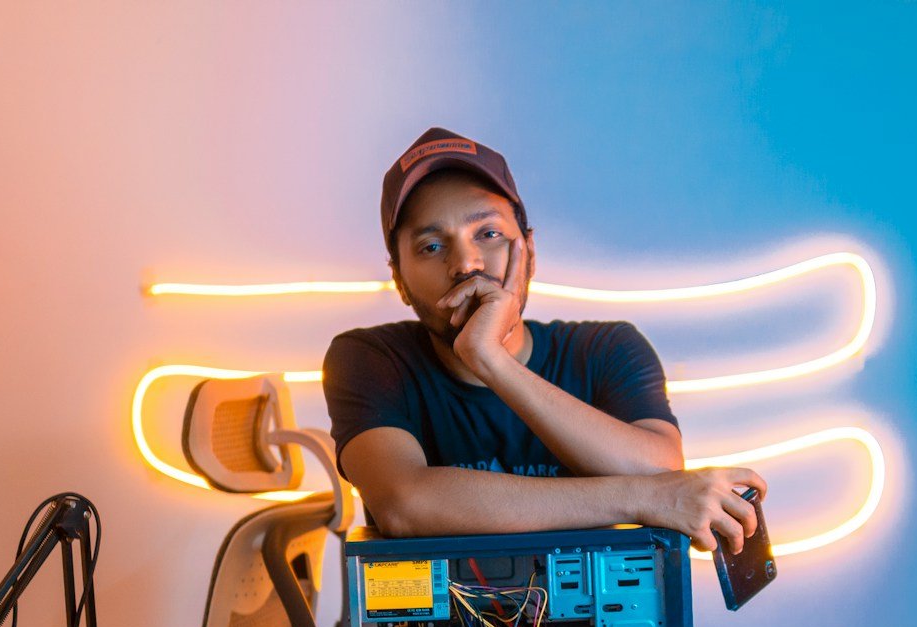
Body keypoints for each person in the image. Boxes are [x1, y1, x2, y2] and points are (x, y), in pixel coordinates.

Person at [323, 127, 765, 553]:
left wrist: (492, 362)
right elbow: (405, 505)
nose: (466, 263)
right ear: (399, 280)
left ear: (529, 252)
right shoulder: (368, 359)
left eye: (488, 234)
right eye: (432, 247)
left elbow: (661, 472)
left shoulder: (607, 349)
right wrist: (640, 498)